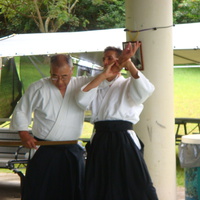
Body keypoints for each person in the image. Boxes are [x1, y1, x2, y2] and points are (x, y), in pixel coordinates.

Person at [9, 45, 136, 200]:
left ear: (72, 71)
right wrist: (24, 134)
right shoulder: (39, 87)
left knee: (72, 193)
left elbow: (107, 77)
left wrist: (123, 62)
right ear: (50, 71)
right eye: (54, 76)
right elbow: (22, 110)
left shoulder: (82, 83)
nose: (60, 81)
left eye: (64, 76)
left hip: (71, 150)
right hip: (44, 150)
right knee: (40, 192)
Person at [76, 41, 159, 200]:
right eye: (104, 59)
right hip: (100, 137)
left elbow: (146, 90)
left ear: (119, 61)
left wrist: (129, 64)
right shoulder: (97, 84)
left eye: (110, 58)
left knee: (135, 183)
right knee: (99, 183)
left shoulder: (128, 83)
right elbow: (80, 101)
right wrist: (102, 76)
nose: (106, 62)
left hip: (123, 138)